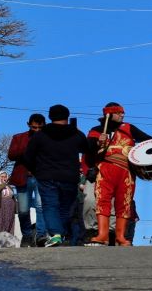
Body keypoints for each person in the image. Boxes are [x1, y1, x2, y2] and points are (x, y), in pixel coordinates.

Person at [86, 102, 152, 246]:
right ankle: (102, 234)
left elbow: (148, 140)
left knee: (124, 203)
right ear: (108, 114)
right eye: (118, 113)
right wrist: (98, 142)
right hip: (105, 169)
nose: (122, 115)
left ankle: (120, 236)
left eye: (122, 113)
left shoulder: (128, 128)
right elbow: (88, 150)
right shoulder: (96, 130)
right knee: (102, 200)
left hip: (126, 172)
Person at [25, 104, 89, 247]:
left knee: (50, 205)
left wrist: (36, 171)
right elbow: (86, 149)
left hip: (47, 176)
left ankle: (56, 234)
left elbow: (28, 156)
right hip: (69, 177)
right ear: (67, 116)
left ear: (50, 117)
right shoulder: (75, 134)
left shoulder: (40, 135)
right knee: (66, 207)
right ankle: (63, 234)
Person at [7, 113, 47, 247]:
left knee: (41, 207)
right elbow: (11, 155)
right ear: (28, 125)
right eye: (34, 127)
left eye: (40, 128)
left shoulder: (47, 138)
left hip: (41, 177)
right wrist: (28, 147)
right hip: (23, 177)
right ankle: (27, 235)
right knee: (23, 209)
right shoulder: (18, 137)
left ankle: (41, 236)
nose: (37, 130)